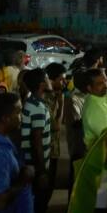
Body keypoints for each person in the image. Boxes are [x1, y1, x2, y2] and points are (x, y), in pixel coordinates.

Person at [81, 69, 107, 213]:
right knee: (101, 211)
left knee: (103, 208)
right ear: (89, 88)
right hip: (100, 164)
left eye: (105, 81)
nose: (105, 85)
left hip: (106, 163)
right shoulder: (95, 108)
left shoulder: (99, 100)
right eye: (99, 84)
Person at [20, 69, 52, 213]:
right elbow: (36, 142)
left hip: (32, 164)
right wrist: (42, 172)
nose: (50, 81)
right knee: (37, 207)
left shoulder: (32, 102)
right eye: (47, 79)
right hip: (35, 166)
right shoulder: (37, 108)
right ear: (41, 85)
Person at [43, 63, 66, 199]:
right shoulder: (48, 99)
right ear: (52, 80)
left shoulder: (55, 96)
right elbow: (57, 125)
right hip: (47, 150)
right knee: (46, 190)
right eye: (61, 79)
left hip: (53, 148)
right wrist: (61, 104)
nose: (64, 82)